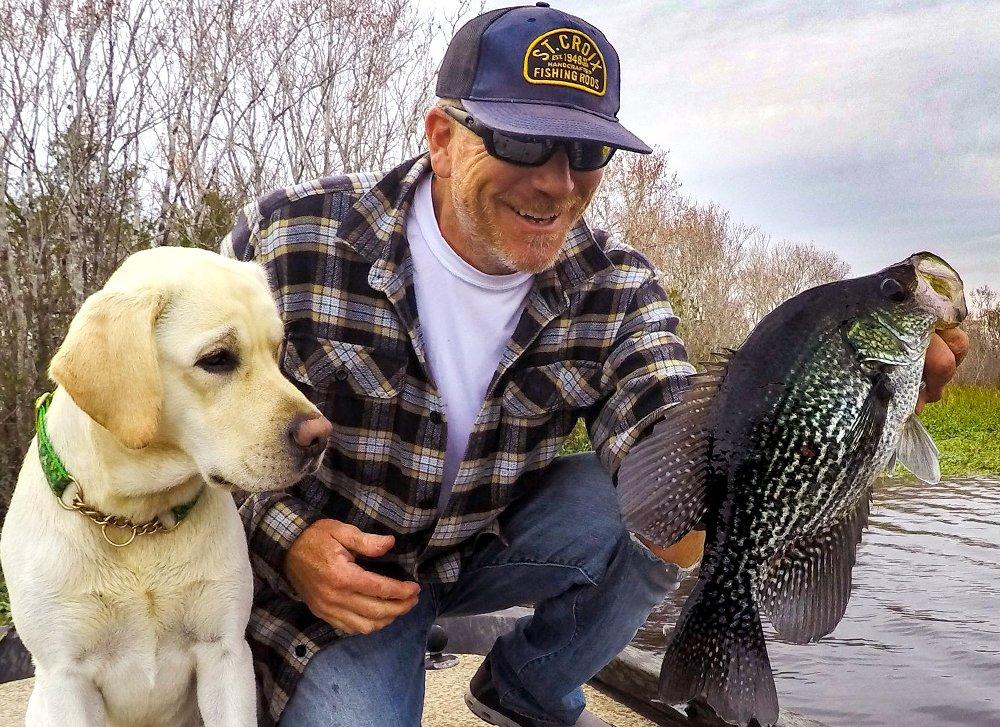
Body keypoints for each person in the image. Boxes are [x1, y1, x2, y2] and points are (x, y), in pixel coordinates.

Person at [221, 4, 968, 726]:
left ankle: (526, 685)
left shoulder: (614, 285)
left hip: (484, 548)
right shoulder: (291, 238)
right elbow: (171, 422)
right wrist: (286, 540)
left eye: (586, 151)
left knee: (635, 504)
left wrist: (838, 428)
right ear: (441, 137)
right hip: (335, 589)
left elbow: (672, 440)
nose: (558, 181)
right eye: (521, 141)